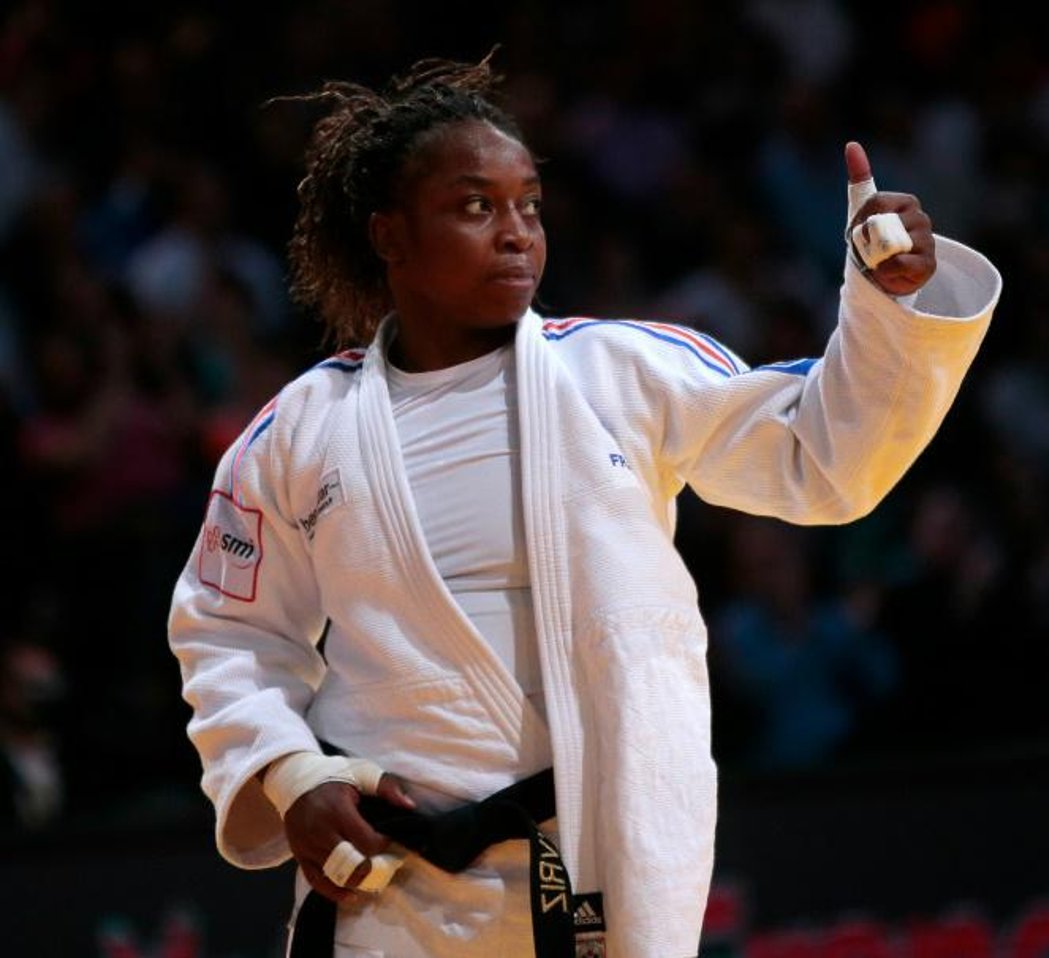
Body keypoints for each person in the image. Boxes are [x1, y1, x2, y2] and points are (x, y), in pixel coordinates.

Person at [166, 53, 1001, 958]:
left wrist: (883, 306)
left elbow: (823, 460)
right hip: (391, 878)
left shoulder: (620, 368)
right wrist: (289, 774)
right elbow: (227, 631)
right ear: (389, 236)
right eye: (476, 207)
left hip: (601, 855)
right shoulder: (299, 428)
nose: (518, 232)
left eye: (528, 204)